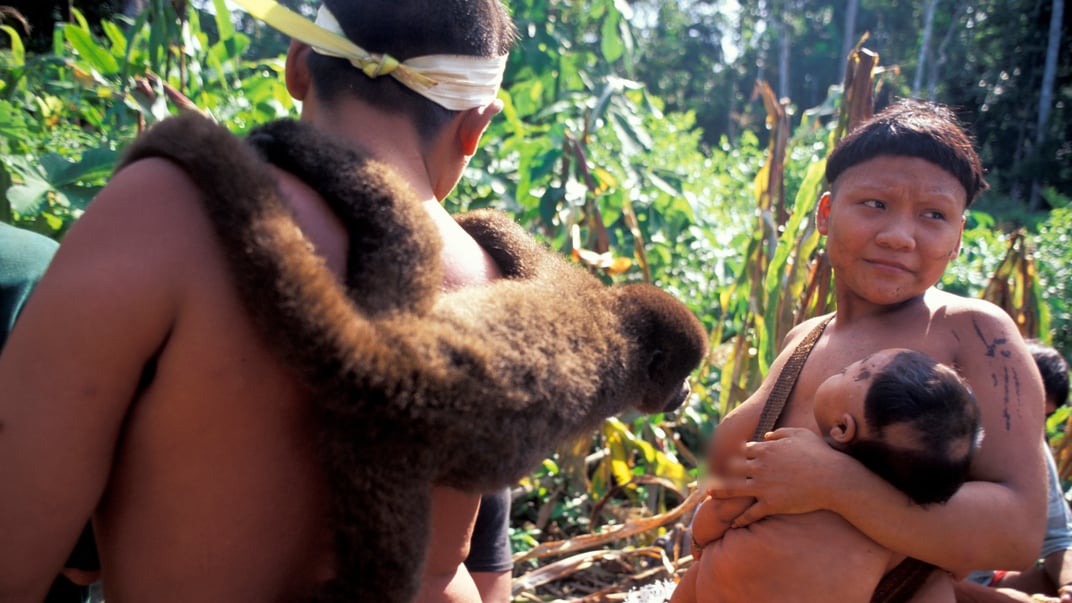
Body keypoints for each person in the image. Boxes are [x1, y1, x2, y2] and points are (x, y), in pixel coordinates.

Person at [0, 1, 520, 601]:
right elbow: (472, 574)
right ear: (477, 125)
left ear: (298, 63)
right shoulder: (491, 284)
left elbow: (15, 551)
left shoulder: (167, 209)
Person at [685, 99, 1047, 603]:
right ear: (826, 213)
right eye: (875, 204)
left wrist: (836, 484)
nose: (899, 237)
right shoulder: (804, 340)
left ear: (959, 235)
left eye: (934, 215)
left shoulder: (974, 334)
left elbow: (1017, 535)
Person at [673, 348, 983, 603]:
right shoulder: (892, 531)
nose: (848, 363)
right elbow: (954, 567)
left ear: (843, 429)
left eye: (856, 369)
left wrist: (701, 542)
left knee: (697, 578)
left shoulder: (791, 459)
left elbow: (723, 506)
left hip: (718, 592)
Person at [955, 341, 1072, 603]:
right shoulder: (935, 435)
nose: (1027, 424)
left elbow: (1059, 539)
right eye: (1021, 410)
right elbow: (899, 570)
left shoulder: (1032, 445)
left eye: (1039, 417)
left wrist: (1069, 586)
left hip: (983, 583)